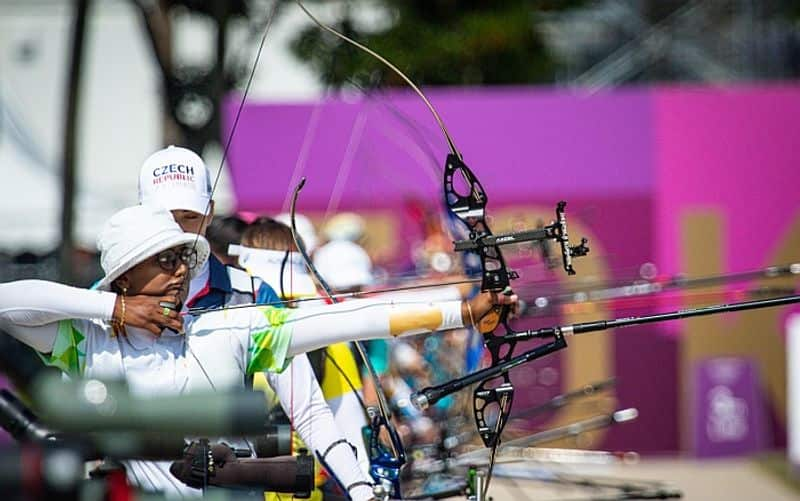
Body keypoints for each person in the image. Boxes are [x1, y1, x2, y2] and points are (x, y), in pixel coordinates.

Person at [0, 205, 512, 498]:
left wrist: (461, 310)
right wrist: (116, 310)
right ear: (125, 274)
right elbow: (7, 303)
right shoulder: (86, 340)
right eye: (162, 259)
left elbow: (353, 317)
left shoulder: (231, 328)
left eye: (182, 256)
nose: (180, 268)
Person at [138, 146, 369, 496]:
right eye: (163, 216)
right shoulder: (108, 297)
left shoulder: (251, 295)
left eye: (189, 216)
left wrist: (360, 487)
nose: (177, 230)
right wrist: (116, 309)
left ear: (210, 212)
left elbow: (307, 409)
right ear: (140, 214)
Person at [234, 217, 371, 484]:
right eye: (270, 298)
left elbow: (352, 436)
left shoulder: (329, 344)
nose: (281, 310)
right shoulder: (218, 337)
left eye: (289, 300)